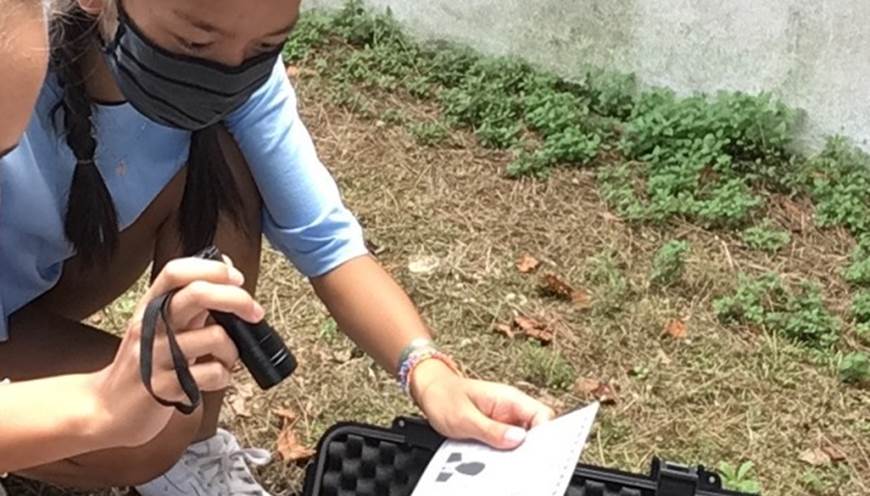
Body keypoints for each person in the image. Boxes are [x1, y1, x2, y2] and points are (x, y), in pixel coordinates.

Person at [0, 0, 555, 494]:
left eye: (265, 46)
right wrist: (99, 408)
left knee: (224, 162)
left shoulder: (240, 81)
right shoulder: (16, 59)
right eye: (196, 40)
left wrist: (430, 372)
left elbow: (327, 239)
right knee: (149, 429)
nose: (226, 68)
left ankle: (194, 451)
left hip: (39, 292)